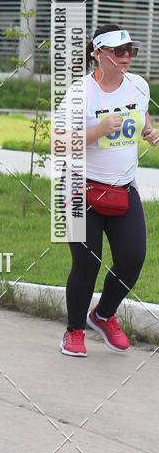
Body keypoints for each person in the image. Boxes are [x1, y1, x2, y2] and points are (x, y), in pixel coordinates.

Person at [56, 24, 158, 357]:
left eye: (131, 51)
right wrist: (97, 130)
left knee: (132, 259)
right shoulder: (79, 93)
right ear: (98, 54)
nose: (126, 57)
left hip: (122, 188)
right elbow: (58, 144)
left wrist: (151, 132)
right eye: (118, 51)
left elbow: (143, 119)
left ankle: (102, 315)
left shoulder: (138, 86)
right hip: (78, 188)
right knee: (86, 263)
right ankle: (74, 331)